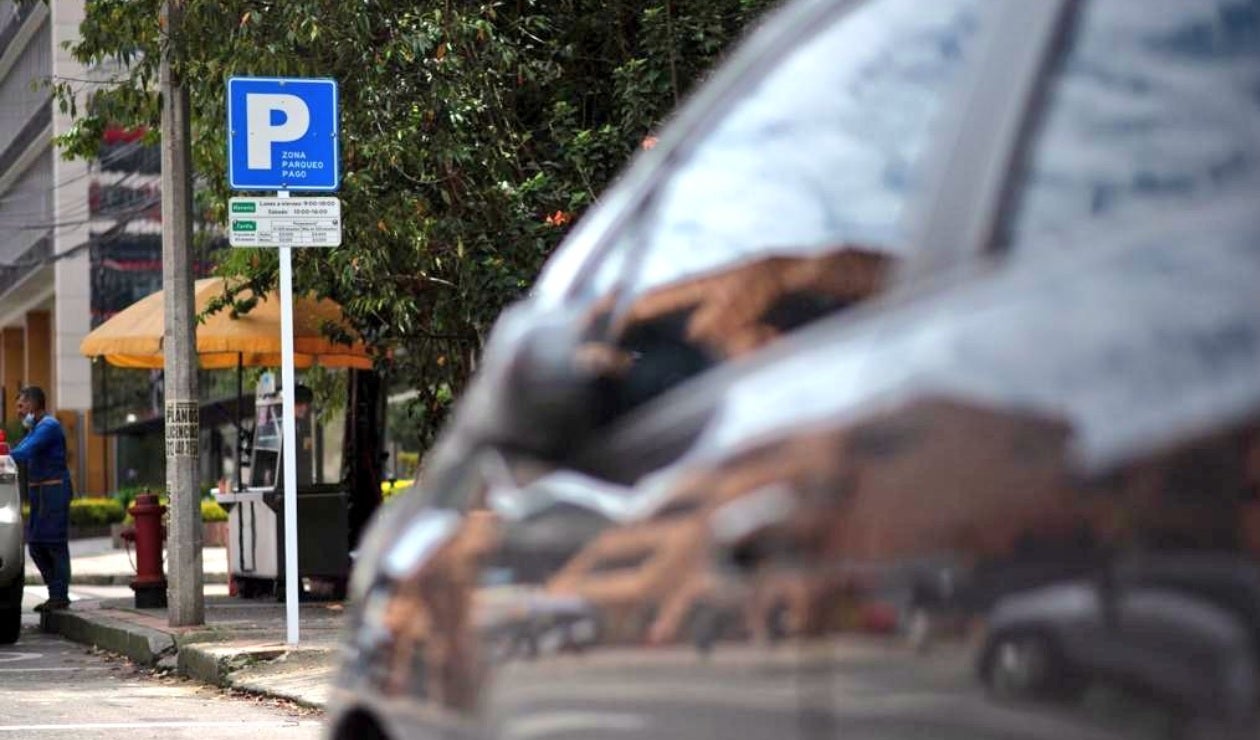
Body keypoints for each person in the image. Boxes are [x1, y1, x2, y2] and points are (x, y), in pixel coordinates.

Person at [11, 386, 73, 612]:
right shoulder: (35, 428)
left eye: (21, 406)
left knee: (54, 544)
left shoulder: (48, 427)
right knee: (36, 544)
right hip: (40, 494)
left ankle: (60, 595)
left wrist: (4, 453)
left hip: (53, 492)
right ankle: (55, 593)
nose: (18, 412)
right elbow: (21, 449)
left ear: (33, 404)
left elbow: (22, 453)